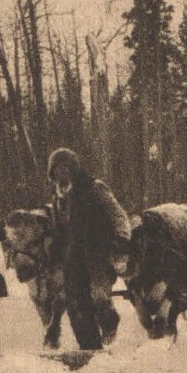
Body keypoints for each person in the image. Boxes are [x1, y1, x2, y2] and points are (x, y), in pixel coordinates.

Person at [47, 148, 132, 350]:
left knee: (98, 297)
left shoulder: (95, 188)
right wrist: (55, 257)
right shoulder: (58, 200)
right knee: (75, 305)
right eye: (57, 170)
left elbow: (117, 215)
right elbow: (59, 231)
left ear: (75, 170)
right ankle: (89, 348)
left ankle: (109, 323)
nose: (62, 174)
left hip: (98, 255)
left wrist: (121, 240)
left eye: (66, 169)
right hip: (72, 259)